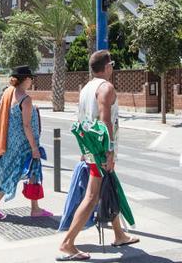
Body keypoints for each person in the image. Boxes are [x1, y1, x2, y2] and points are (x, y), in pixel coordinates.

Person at [58, 50, 138, 261]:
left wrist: (85, 151)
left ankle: (119, 234)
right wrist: (109, 152)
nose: (112, 68)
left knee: (109, 188)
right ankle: (68, 243)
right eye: (111, 64)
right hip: (101, 151)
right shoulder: (106, 88)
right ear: (107, 66)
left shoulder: (86, 88)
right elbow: (105, 122)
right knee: (92, 196)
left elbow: (81, 120)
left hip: (91, 149)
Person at [0, 66, 50, 220]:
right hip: (24, 145)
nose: (31, 81)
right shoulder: (25, 99)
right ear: (26, 79)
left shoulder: (8, 93)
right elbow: (26, 125)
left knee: (8, 173)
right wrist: (34, 147)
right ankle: (33, 209)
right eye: (31, 78)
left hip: (10, 144)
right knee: (33, 171)